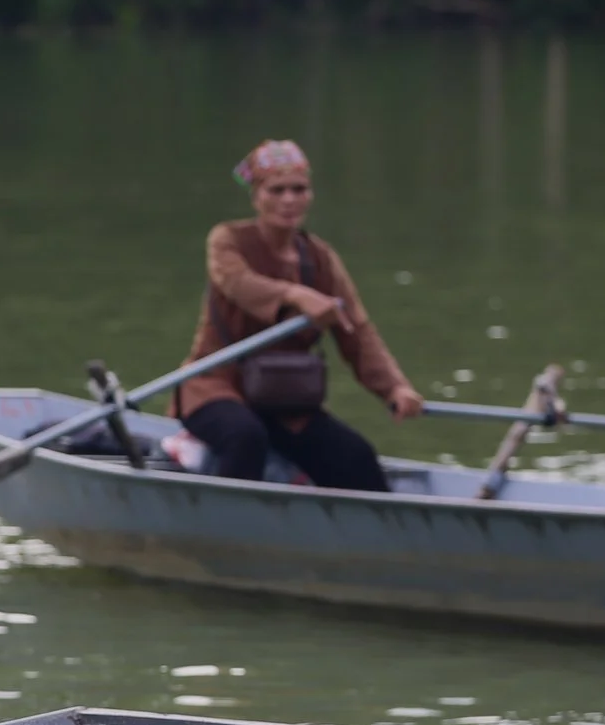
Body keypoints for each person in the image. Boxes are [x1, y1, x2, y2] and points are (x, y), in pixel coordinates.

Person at [172, 138, 426, 490]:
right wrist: (295, 295)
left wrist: (395, 388)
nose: (289, 200)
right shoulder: (227, 240)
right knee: (245, 437)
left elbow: (358, 333)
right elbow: (237, 283)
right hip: (215, 387)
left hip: (283, 398)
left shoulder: (320, 257)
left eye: (299, 189)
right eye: (276, 190)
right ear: (256, 196)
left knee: (356, 457)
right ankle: (227, 528)